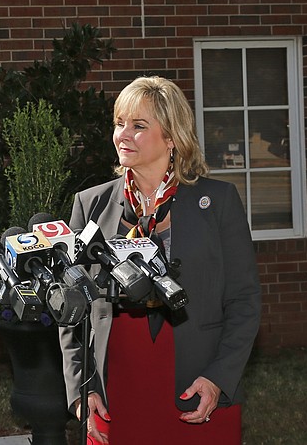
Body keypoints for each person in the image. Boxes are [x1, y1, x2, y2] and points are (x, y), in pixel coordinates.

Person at [59, 76, 261, 444]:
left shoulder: (218, 203)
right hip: (115, 388)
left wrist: (218, 377)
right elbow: (72, 309)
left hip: (196, 384)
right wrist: (80, 387)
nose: (123, 134)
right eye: (119, 123)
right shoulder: (90, 205)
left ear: (171, 137)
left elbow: (244, 301)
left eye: (138, 126)